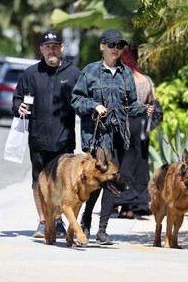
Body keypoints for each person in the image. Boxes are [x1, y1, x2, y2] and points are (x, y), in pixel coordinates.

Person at [71, 30, 153, 245]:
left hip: (120, 136)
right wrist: (94, 106)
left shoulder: (126, 73)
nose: (115, 48)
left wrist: (144, 110)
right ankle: (86, 221)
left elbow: (132, 104)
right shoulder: (90, 71)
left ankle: (103, 230)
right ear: (102, 46)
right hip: (97, 138)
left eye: (119, 45)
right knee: (96, 182)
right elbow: (76, 100)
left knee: (113, 182)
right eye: (111, 44)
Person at [12, 30, 81, 238]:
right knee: (38, 182)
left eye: (55, 46)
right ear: (41, 49)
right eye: (47, 47)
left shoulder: (73, 74)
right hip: (38, 139)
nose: (51, 50)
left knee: (60, 183)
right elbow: (16, 100)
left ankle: (58, 221)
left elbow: (84, 101)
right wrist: (19, 107)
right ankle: (43, 222)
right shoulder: (30, 74)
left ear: (61, 48)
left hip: (64, 141)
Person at [114, 41, 156, 219]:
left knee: (121, 163)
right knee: (137, 164)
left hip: (123, 121)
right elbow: (152, 102)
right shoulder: (145, 79)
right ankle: (133, 204)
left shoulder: (121, 77)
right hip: (140, 123)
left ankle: (120, 202)